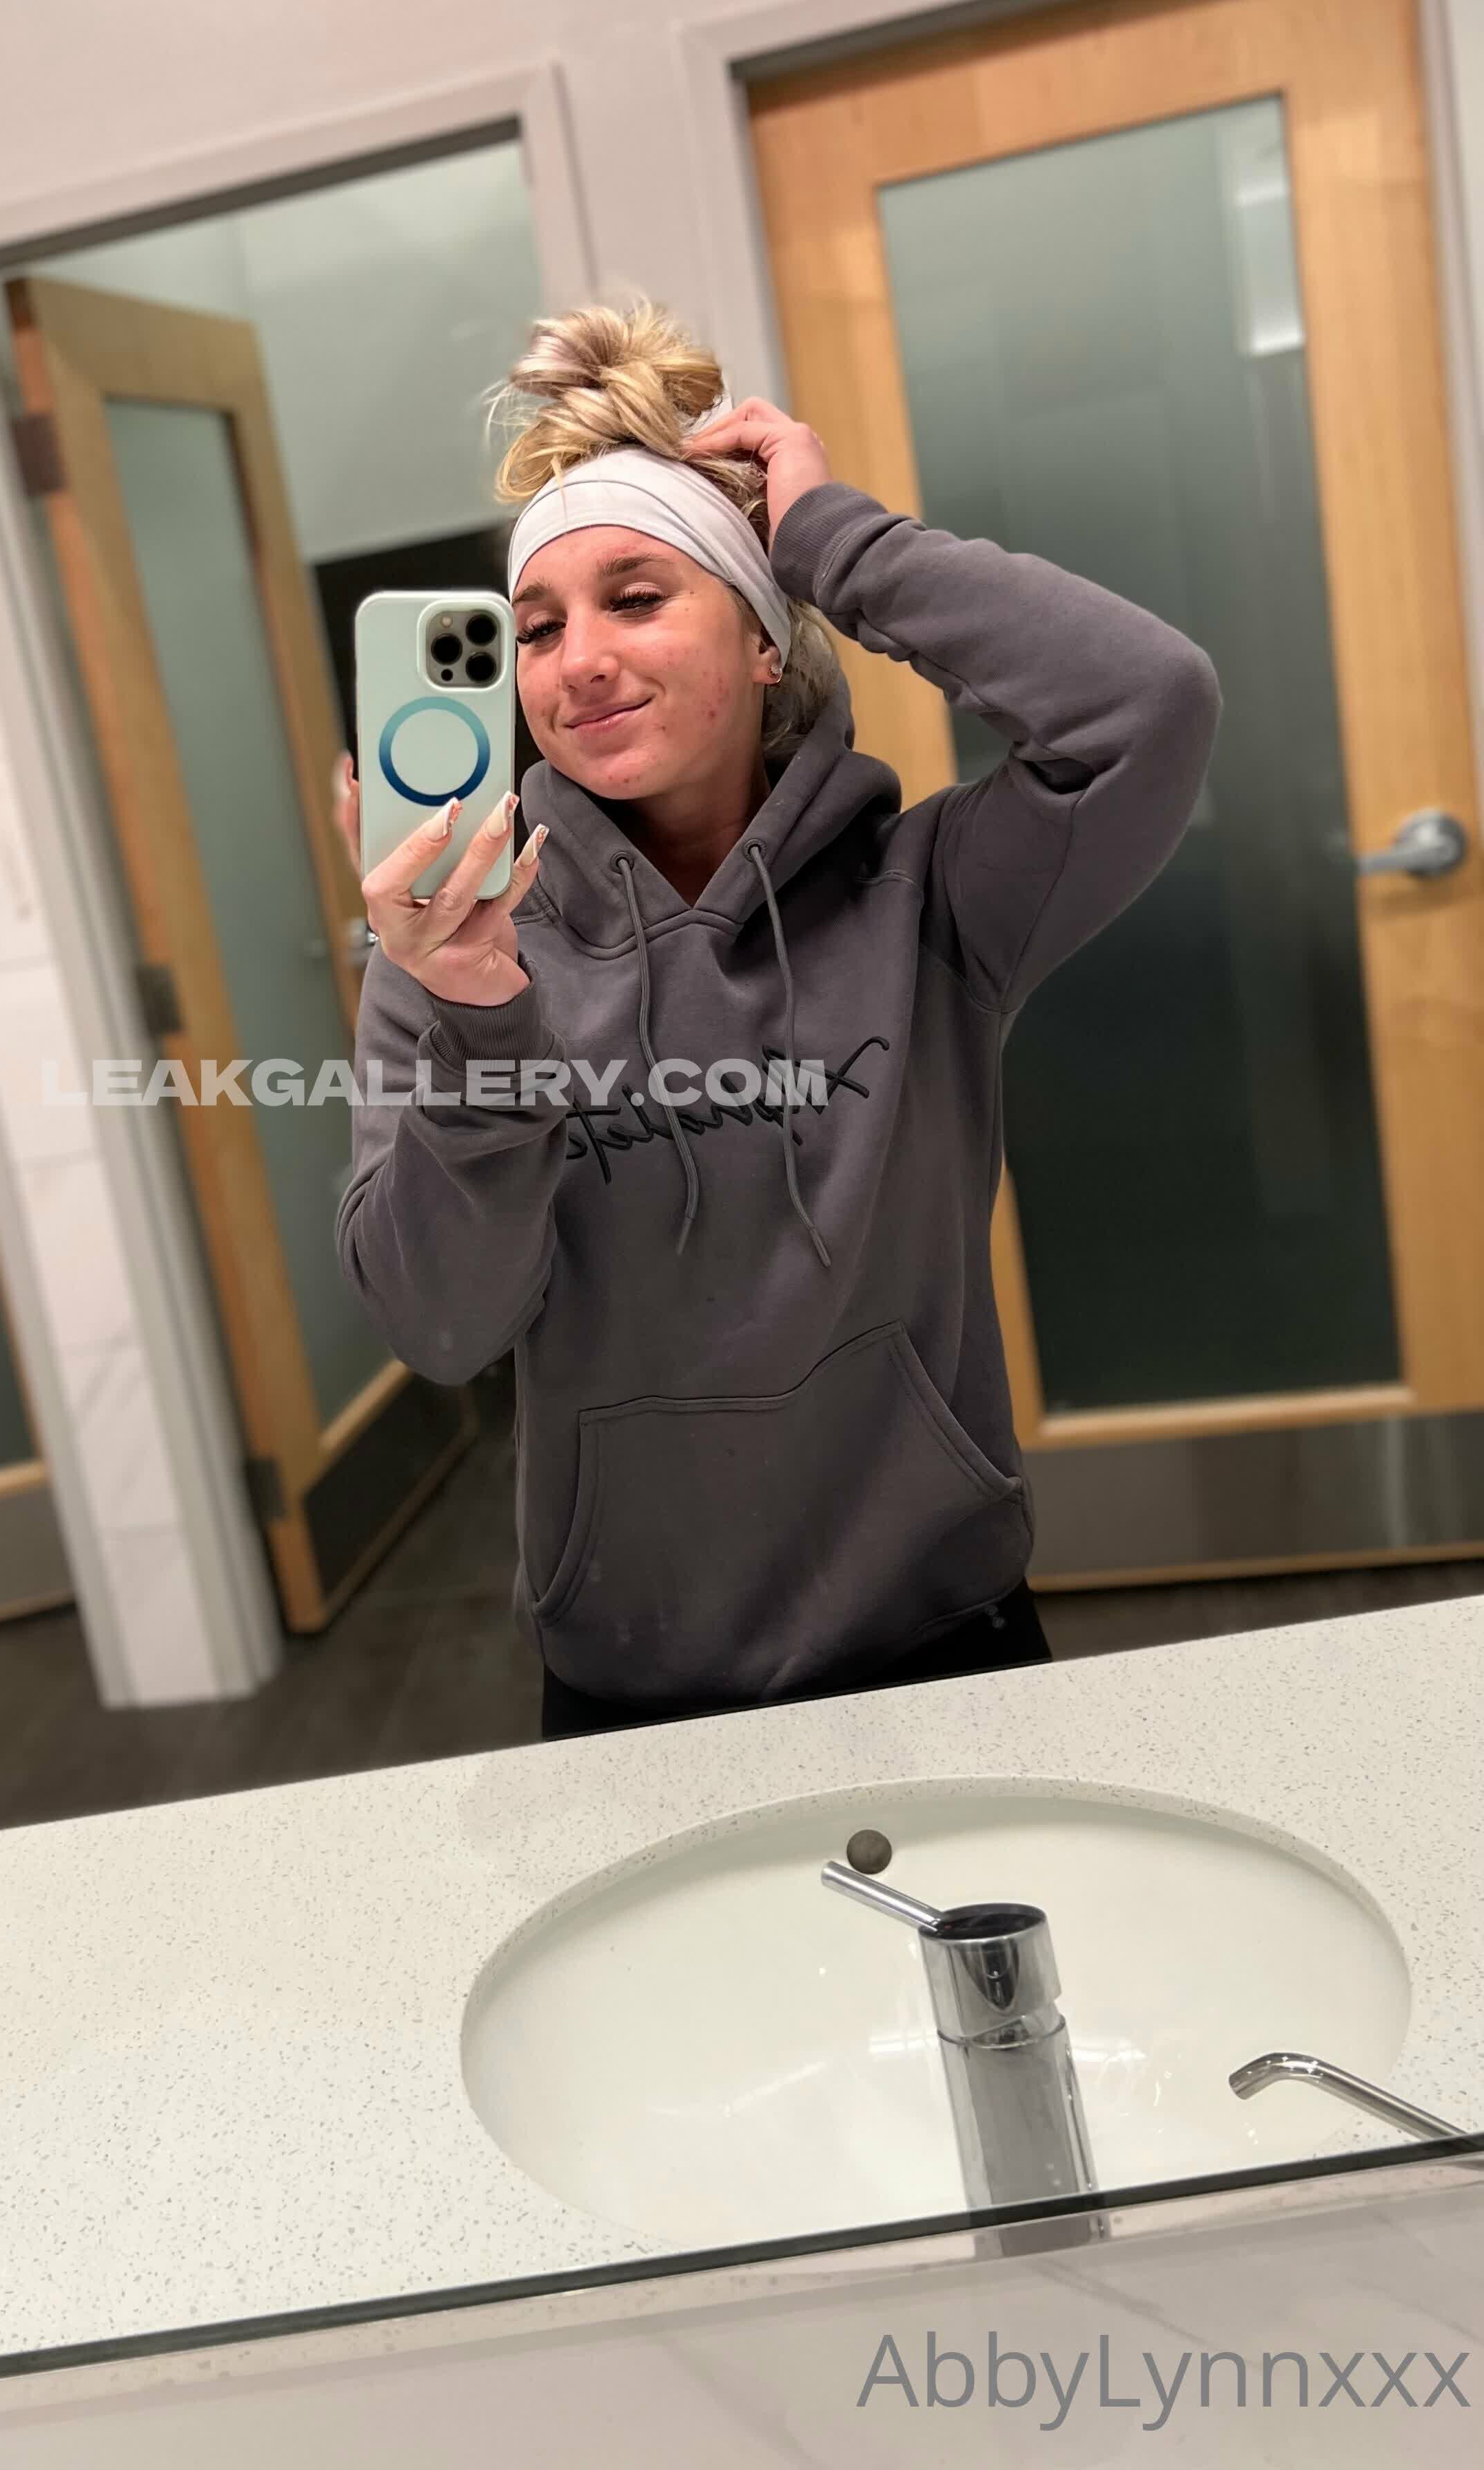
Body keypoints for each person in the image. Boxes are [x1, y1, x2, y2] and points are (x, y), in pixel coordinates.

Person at [331, 301, 1221, 1743]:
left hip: (940, 1631)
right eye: (536, 629)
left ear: (760, 640)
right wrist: (479, 1014)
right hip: (630, 1674)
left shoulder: (931, 897)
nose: (576, 661)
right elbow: (441, 1324)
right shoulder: (452, 951)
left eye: (637, 598)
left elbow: (1148, 706)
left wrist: (834, 546)